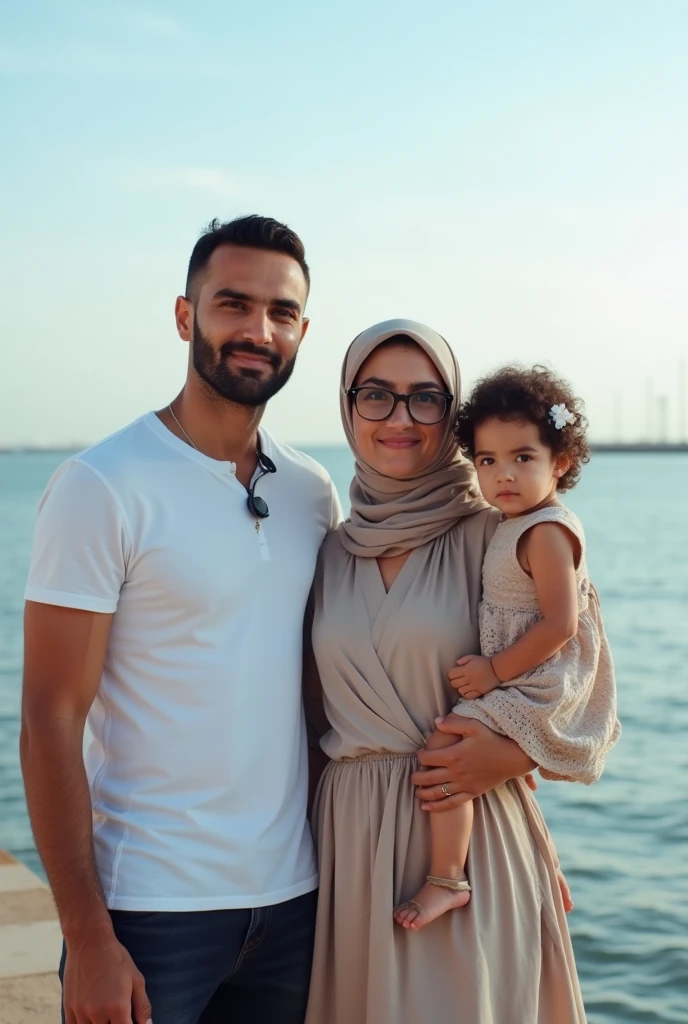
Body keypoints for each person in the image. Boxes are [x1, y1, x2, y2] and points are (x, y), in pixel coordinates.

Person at [20, 215, 343, 1024]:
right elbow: (50, 716)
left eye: (280, 312)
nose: (257, 330)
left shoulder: (311, 492)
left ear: (303, 330)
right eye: (232, 303)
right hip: (148, 910)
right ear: (184, 315)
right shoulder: (103, 485)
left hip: (296, 904)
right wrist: (88, 938)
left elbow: (324, 696)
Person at [304, 320, 589, 1024]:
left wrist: (511, 755)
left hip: (474, 849)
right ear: (346, 407)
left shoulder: (501, 534)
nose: (400, 417)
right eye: (376, 395)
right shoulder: (327, 549)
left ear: (451, 413)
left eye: (425, 398)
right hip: (347, 847)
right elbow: (306, 719)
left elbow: (578, 672)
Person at [394, 364, 620, 930]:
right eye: (488, 461)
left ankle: (447, 877)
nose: (504, 475)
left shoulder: (544, 531)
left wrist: (495, 671)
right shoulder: (508, 521)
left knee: (452, 741)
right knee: (488, 756)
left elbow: (562, 624)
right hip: (525, 667)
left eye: (523, 458)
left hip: (540, 674)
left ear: (560, 462)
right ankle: (538, 852)